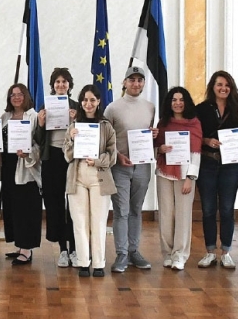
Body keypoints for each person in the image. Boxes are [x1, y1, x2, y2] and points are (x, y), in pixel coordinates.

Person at [102, 65, 156, 272]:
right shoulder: (113, 108)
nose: (136, 83)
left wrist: (154, 134)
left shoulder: (150, 107)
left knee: (136, 209)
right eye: (131, 80)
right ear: (124, 83)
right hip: (120, 166)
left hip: (142, 166)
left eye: (139, 80)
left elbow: (150, 135)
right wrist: (118, 156)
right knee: (121, 211)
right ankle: (122, 254)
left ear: (143, 83)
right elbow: (105, 138)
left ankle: (134, 251)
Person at [63, 84, 117, 278]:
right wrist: (71, 139)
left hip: (99, 178)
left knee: (98, 222)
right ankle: (83, 262)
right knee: (79, 222)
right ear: (80, 102)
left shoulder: (106, 126)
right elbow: (67, 155)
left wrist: (97, 161)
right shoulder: (73, 126)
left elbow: (112, 155)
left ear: (98, 101)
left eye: (92, 100)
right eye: (85, 100)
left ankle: (99, 263)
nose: (88, 103)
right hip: (77, 177)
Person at [195, 71, 238, 269]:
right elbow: (194, 137)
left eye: (227, 85)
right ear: (212, 87)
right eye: (219, 84)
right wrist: (207, 141)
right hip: (207, 163)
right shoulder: (201, 109)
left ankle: (226, 252)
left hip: (231, 166)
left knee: (227, 209)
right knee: (208, 209)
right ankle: (210, 252)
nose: (223, 88)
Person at [152, 86, 202, 271]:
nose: (178, 103)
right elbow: (154, 148)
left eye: (181, 100)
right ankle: (167, 253)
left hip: (185, 175)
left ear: (186, 102)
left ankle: (180, 254)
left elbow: (196, 152)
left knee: (183, 215)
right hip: (164, 173)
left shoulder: (194, 123)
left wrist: (190, 177)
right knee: (165, 214)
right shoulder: (163, 123)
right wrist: (160, 149)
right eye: (174, 100)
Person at [35, 67, 78, 268]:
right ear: (53, 85)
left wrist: (76, 121)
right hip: (51, 158)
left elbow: (86, 135)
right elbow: (38, 139)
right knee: (56, 204)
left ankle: (75, 248)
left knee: (74, 204)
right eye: (57, 82)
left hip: (72, 159)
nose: (61, 85)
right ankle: (62, 249)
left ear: (69, 85)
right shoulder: (45, 106)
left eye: (64, 81)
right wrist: (41, 123)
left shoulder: (77, 106)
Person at [0, 83, 42, 265]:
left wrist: (28, 152)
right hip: (8, 167)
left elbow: (40, 143)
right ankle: (19, 245)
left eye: (20, 94)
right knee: (12, 207)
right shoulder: (5, 117)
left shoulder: (34, 116)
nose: (16, 97)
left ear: (26, 96)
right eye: (12, 95)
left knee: (26, 208)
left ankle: (27, 249)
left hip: (26, 168)